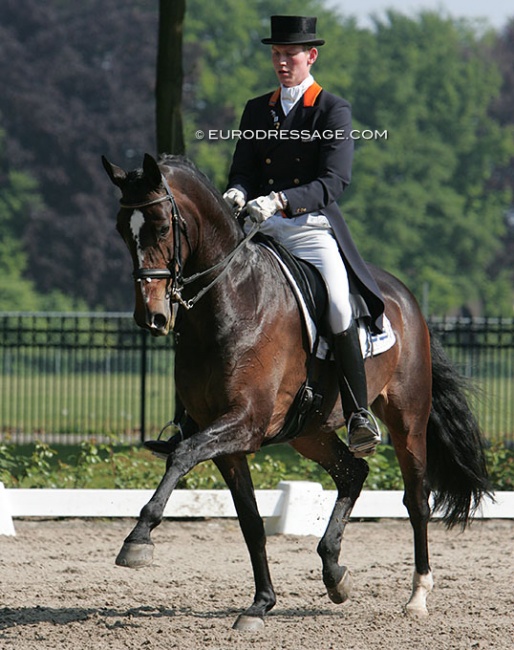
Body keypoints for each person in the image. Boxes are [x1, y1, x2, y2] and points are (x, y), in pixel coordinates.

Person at [223, 15, 385, 458]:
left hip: (310, 227)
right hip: (262, 225)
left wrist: (278, 200)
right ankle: (188, 415)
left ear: (310, 56)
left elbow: (335, 181)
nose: (281, 61)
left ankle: (357, 416)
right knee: (214, 289)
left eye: (289, 54)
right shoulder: (258, 108)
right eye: (276, 54)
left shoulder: (331, 109)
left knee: (336, 303)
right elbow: (244, 167)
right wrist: (238, 189)